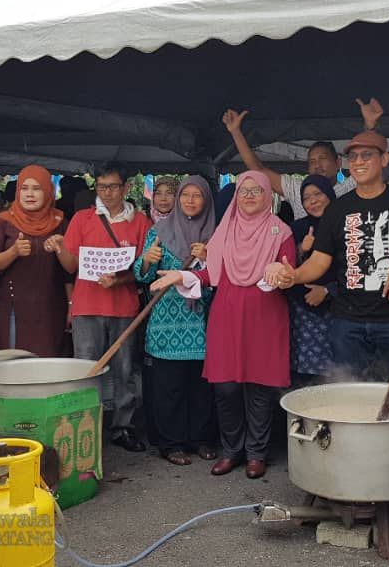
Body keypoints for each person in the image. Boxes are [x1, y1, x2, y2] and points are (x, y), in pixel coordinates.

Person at [152, 171, 293, 479]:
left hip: (265, 317)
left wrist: (280, 270)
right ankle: (231, 450)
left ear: (268, 195)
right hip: (227, 315)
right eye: (245, 191)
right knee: (226, 387)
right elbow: (209, 274)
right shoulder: (224, 231)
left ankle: (256, 453)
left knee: (259, 387)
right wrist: (181, 276)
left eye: (257, 191)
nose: (250, 196)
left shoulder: (280, 232)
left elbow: (289, 271)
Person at [272, 130, 389, 381]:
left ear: (384, 159)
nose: (358, 162)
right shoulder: (338, 209)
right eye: (353, 157)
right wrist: (293, 276)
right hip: (347, 322)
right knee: (349, 397)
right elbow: (319, 261)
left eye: (366, 155)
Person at [51, 164, 152, 452]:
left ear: (125, 187)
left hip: (124, 307)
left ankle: (123, 427)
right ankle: (84, 425)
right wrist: (60, 247)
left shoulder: (141, 223)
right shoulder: (82, 219)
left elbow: (145, 268)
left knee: (125, 370)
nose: (107, 193)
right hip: (87, 306)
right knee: (87, 369)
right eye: (102, 187)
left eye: (113, 186)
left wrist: (120, 279)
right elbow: (70, 266)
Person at [134, 176, 217, 466]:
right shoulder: (159, 231)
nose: (190, 201)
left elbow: (224, 278)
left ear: (207, 200)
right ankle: (171, 443)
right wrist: (147, 258)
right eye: (186, 195)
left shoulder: (216, 235)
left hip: (202, 321)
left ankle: (202, 439)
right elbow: (141, 276)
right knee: (168, 387)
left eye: (197, 196)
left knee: (201, 386)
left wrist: (209, 257)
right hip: (166, 323)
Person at [221, 98, 383, 220]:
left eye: (322, 159)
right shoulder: (296, 189)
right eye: (312, 162)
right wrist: (236, 132)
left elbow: (370, 161)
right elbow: (258, 170)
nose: (317, 165)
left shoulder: (350, 187)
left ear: (338, 163)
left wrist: (370, 127)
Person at [0, 164, 69, 356]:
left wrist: (71, 306)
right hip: (15, 308)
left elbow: (69, 272)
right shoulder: (4, 221)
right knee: (15, 365)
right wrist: (13, 252)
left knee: (47, 367)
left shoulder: (60, 222)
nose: (29, 194)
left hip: (50, 309)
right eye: (24, 188)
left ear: (48, 191)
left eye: (36, 188)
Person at [286, 175, 338, 384]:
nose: (313, 201)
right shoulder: (297, 228)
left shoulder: (346, 225)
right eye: (307, 198)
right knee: (302, 376)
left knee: (336, 374)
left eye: (318, 194)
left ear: (330, 195)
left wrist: (327, 291)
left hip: (340, 310)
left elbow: (354, 269)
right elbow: (285, 266)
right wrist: (301, 249)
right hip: (302, 314)